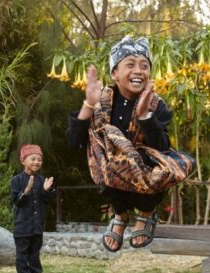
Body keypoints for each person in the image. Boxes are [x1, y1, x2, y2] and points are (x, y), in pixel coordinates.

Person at [67, 36, 194, 252]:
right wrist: (88, 105)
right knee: (103, 157)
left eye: (144, 66)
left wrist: (145, 116)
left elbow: (162, 148)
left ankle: (146, 212)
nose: (138, 71)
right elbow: (73, 142)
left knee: (164, 166)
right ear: (114, 73)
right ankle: (120, 214)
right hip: (112, 175)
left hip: (144, 173)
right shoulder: (100, 101)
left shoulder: (156, 104)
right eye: (130, 64)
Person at [10, 144, 54, 273]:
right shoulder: (16, 180)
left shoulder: (42, 180)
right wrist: (27, 190)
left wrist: (47, 190)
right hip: (22, 226)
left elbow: (47, 201)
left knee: (34, 255)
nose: (36, 162)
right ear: (23, 160)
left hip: (37, 226)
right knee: (22, 256)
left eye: (39, 159)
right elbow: (17, 201)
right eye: (33, 158)